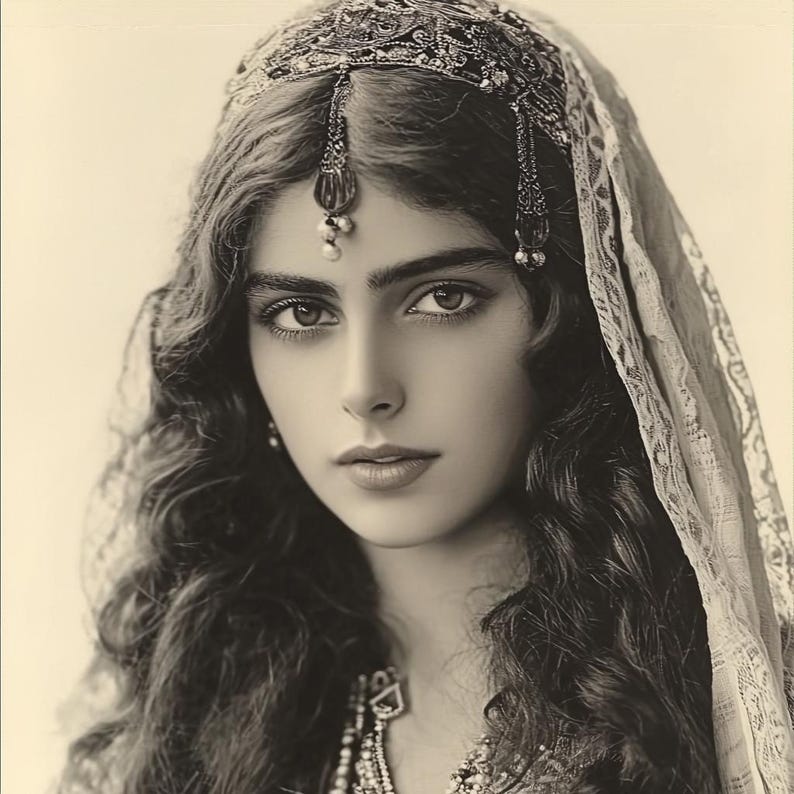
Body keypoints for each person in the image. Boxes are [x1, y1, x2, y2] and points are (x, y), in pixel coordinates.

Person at [62, 1, 793, 792]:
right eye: (301, 313)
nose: (364, 389)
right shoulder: (195, 729)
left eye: (442, 299)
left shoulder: (742, 718)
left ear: (577, 313)